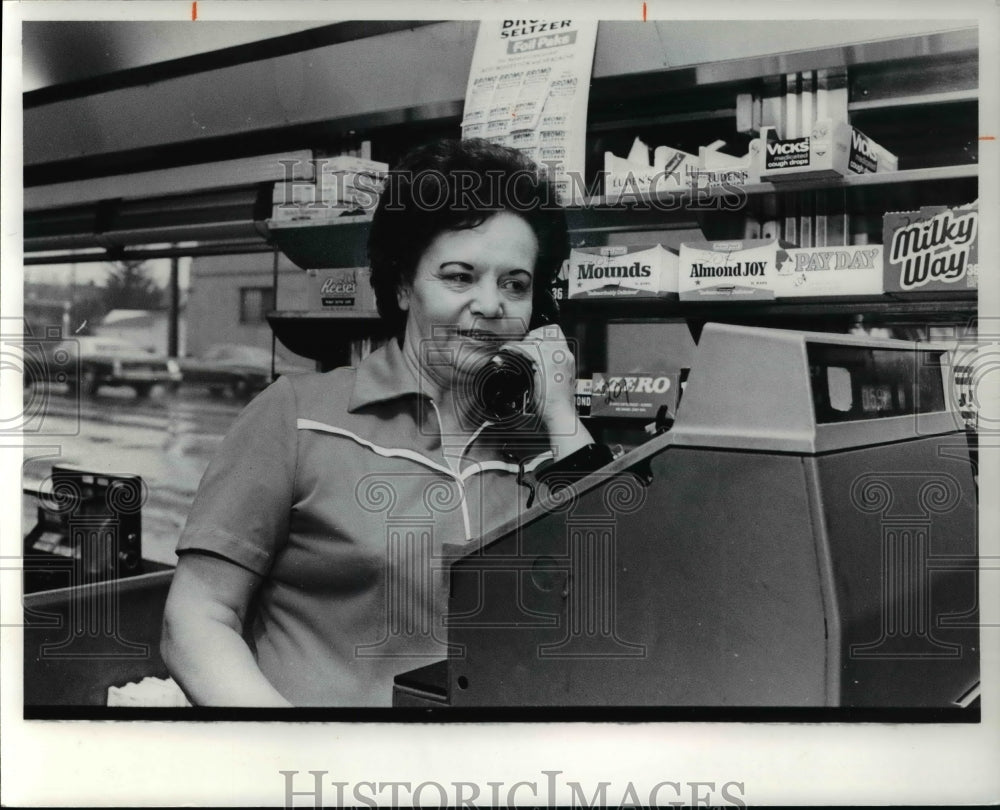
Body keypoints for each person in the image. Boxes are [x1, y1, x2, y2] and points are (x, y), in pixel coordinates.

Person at [160, 138, 595, 706]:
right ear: (400, 285)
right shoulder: (296, 415)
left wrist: (561, 415)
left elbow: (614, 593)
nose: (492, 304)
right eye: (460, 277)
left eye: (515, 284)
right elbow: (196, 619)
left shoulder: (543, 446)